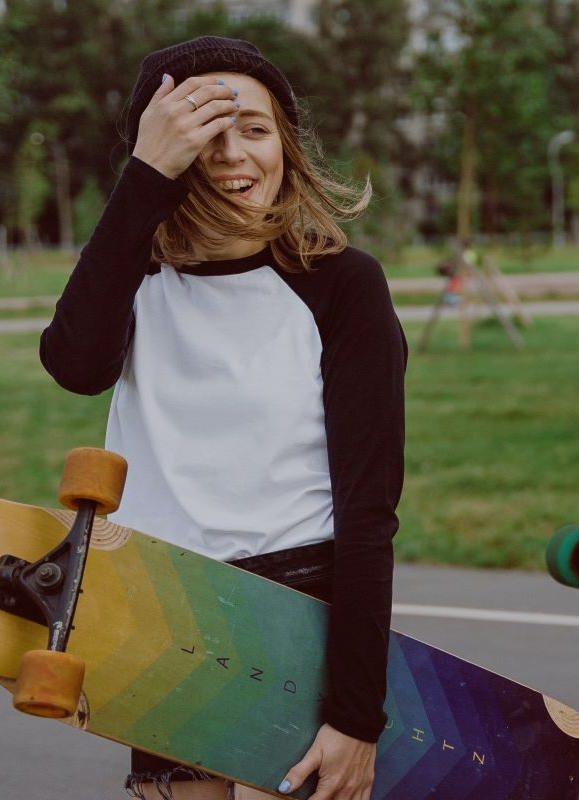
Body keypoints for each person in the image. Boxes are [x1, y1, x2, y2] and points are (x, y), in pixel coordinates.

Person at [40, 36, 407, 800]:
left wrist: (356, 716)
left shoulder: (341, 285)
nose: (235, 154)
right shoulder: (133, 277)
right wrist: (144, 177)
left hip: (298, 607)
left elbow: (368, 513)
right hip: (162, 608)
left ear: (286, 145)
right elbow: (75, 366)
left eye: (255, 129)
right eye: (205, 130)